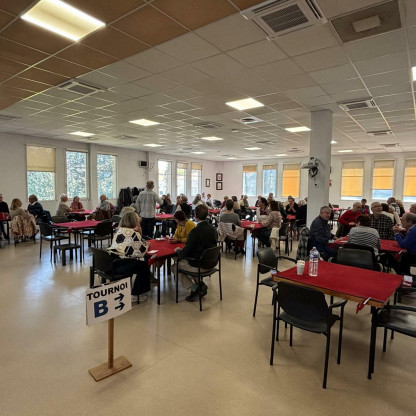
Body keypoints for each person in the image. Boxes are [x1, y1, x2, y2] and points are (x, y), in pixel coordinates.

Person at [173, 205, 217, 302]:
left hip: (199, 264)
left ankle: (194, 289)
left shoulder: (195, 231)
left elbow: (184, 253)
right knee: (187, 262)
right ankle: (200, 285)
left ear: (195, 215)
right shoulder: (213, 229)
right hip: (212, 262)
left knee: (174, 267)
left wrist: (178, 250)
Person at [108, 211, 151, 303]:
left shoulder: (118, 230)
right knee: (144, 265)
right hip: (122, 265)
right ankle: (136, 294)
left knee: (139, 263)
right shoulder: (133, 233)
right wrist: (147, 246)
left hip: (113, 262)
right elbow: (141, 252)